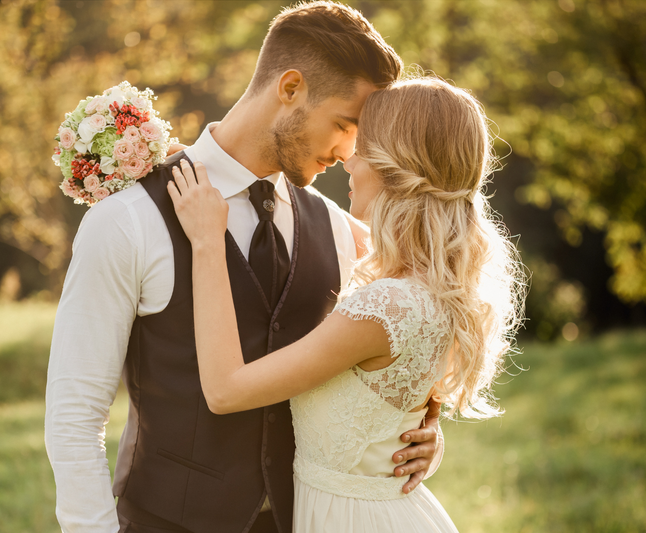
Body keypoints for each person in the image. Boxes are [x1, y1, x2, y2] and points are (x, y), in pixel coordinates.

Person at [44, 3, 444, 533]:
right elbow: (74, 419)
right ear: (291, 88)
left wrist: (419, 438)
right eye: (345, 124)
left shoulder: (338, 229)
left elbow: (382, 358)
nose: (349, 152)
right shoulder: (128, 220)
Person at [167, 77, 524, 532]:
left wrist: (206, 241)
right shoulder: (433, 281)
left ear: (396, 167)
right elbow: (290, 200)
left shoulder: (384, 306)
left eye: (363, 146)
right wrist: (211, 161)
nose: (347, 159)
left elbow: (225, 390)